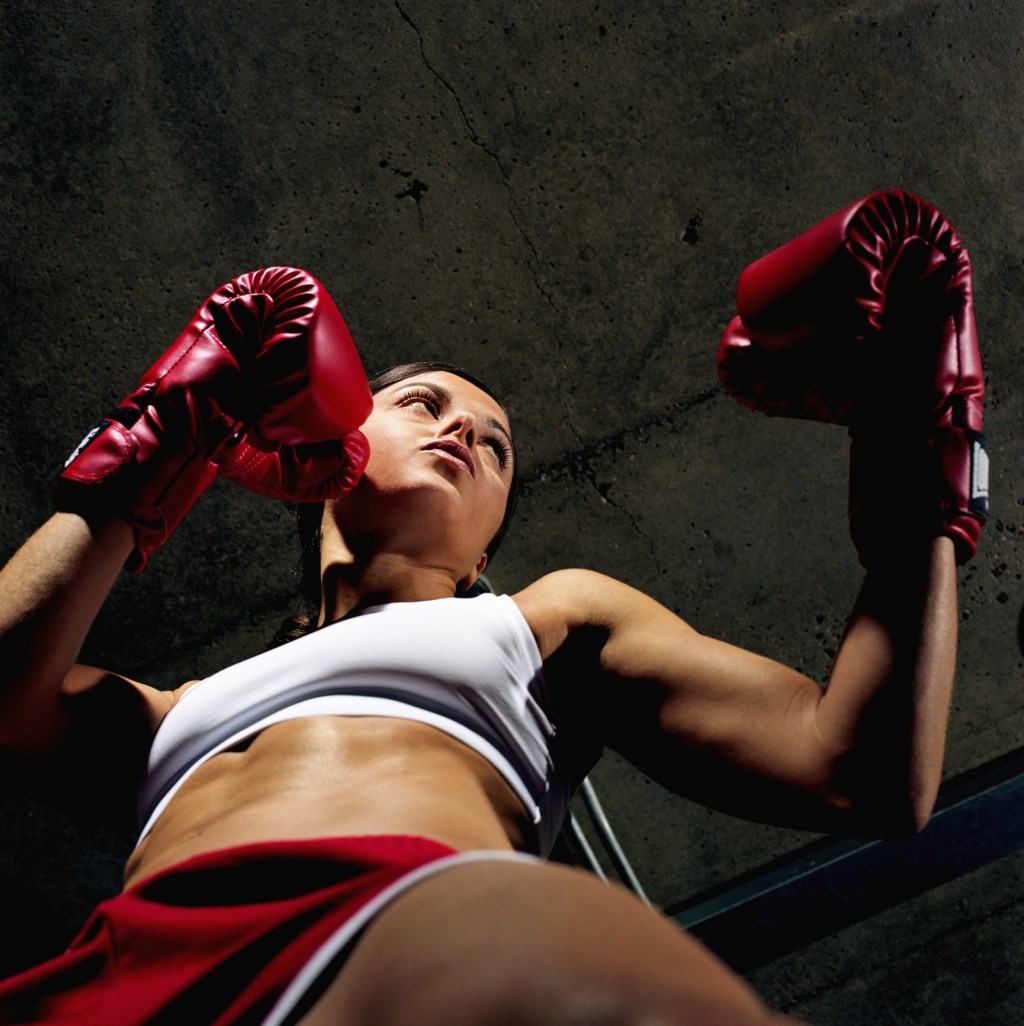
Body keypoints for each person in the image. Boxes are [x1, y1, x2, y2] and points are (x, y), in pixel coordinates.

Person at [0, 190, 986, 1025]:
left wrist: (921, 443)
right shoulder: (181, 706)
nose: (462, 425)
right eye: (424, 404)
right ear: (322, 445)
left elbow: (863, 774)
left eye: (497, 444)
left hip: (401, 932)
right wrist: (171, 425)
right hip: (125, 977)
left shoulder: (543, 621)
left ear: (483, 550)